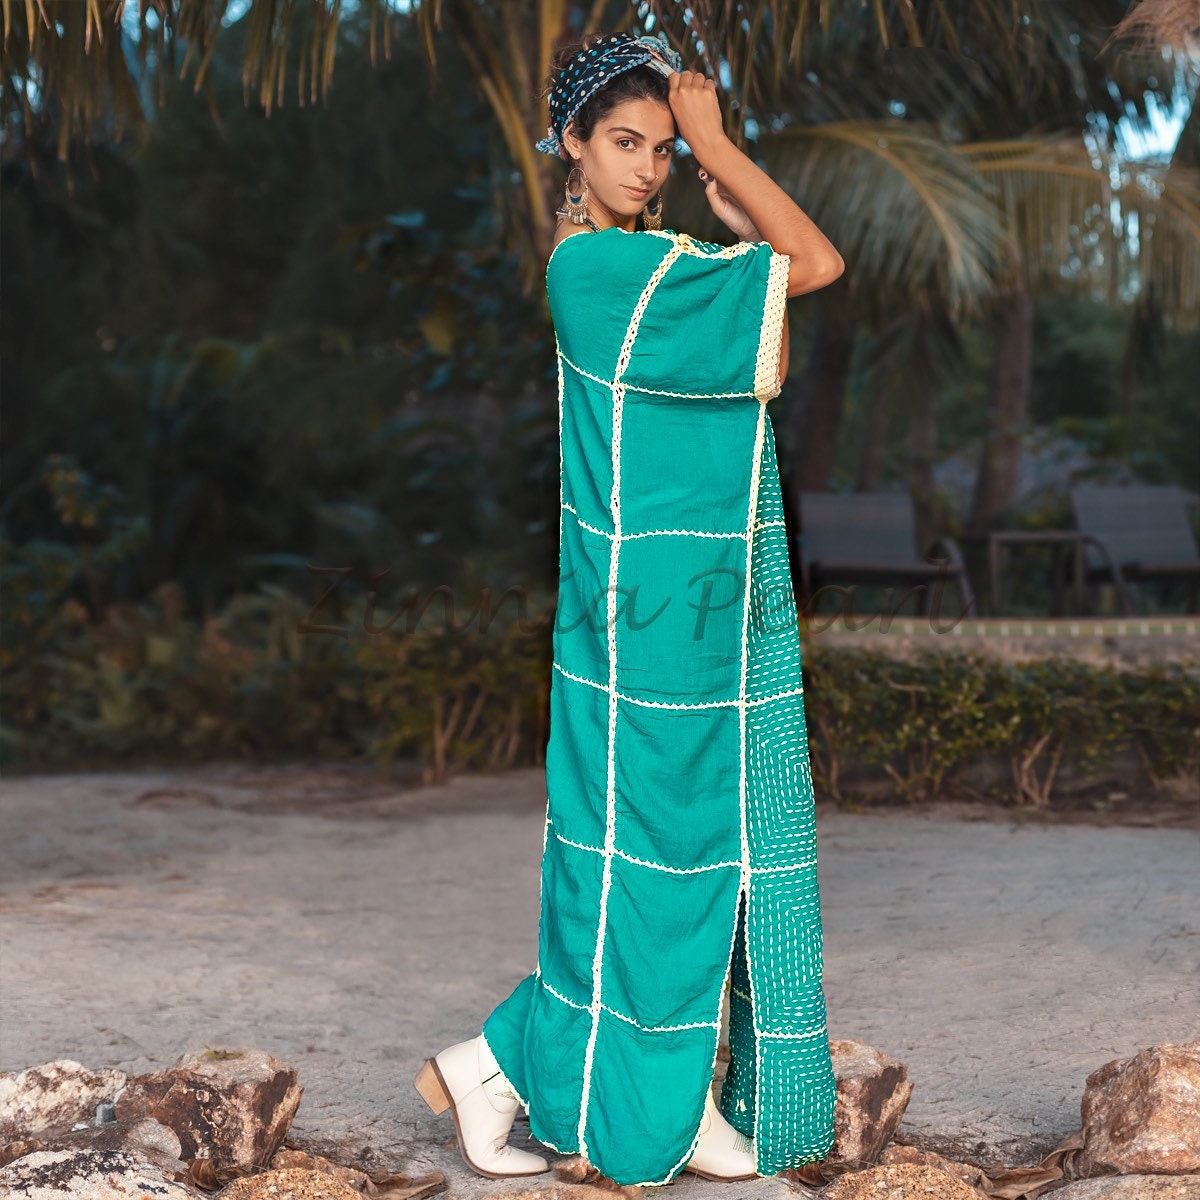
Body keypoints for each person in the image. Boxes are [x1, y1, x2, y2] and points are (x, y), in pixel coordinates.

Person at [414, 29, 845, 1187]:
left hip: (684, 609)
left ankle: (506, 1069)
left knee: (675, 854)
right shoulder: (601, 273)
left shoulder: (654, 261)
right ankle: (622, 1094)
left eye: (662, 147)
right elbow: (814, 262)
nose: (649, 166)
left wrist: (726, 203)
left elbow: (780, 296)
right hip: (644, 615)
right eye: (626, 142)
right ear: (571, 142)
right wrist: (721, 146)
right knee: (656, 861)